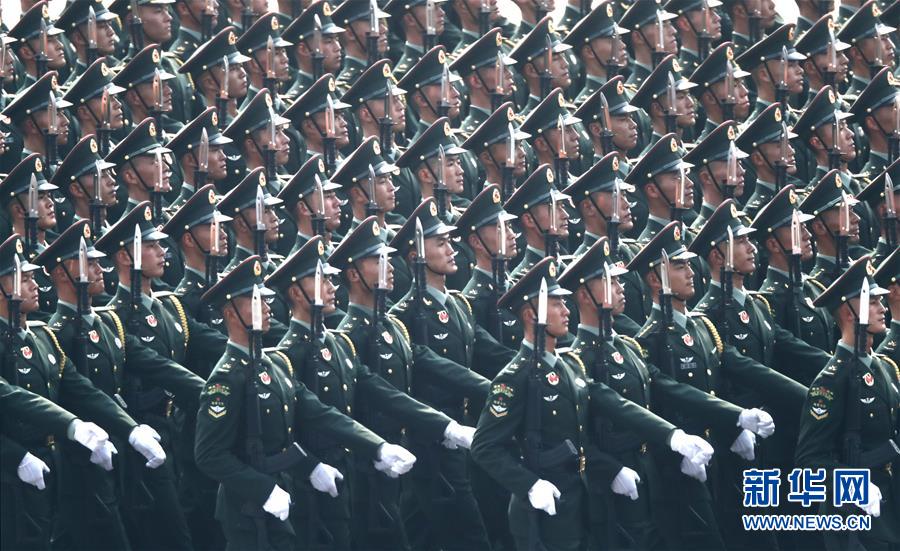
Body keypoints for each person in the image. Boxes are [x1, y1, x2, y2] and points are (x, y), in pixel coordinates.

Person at [194, 254, 416, 550]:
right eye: (257, 300)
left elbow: (320, 413)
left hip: (283, 495)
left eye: (266, 299)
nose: (268, 307)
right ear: (231, 313)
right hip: (246, 512)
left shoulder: (275, 364)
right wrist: (263, 489)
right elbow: (209, 454)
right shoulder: (225, 379)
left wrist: (376, 447)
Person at [795, 255, 900, 550]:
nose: (882, 308)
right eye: (873, 302)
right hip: (853, 517)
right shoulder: (832, 380)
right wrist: (854, 486)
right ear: (850, 312)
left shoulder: (884, 367)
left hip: (890, 509)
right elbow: (808, 461)